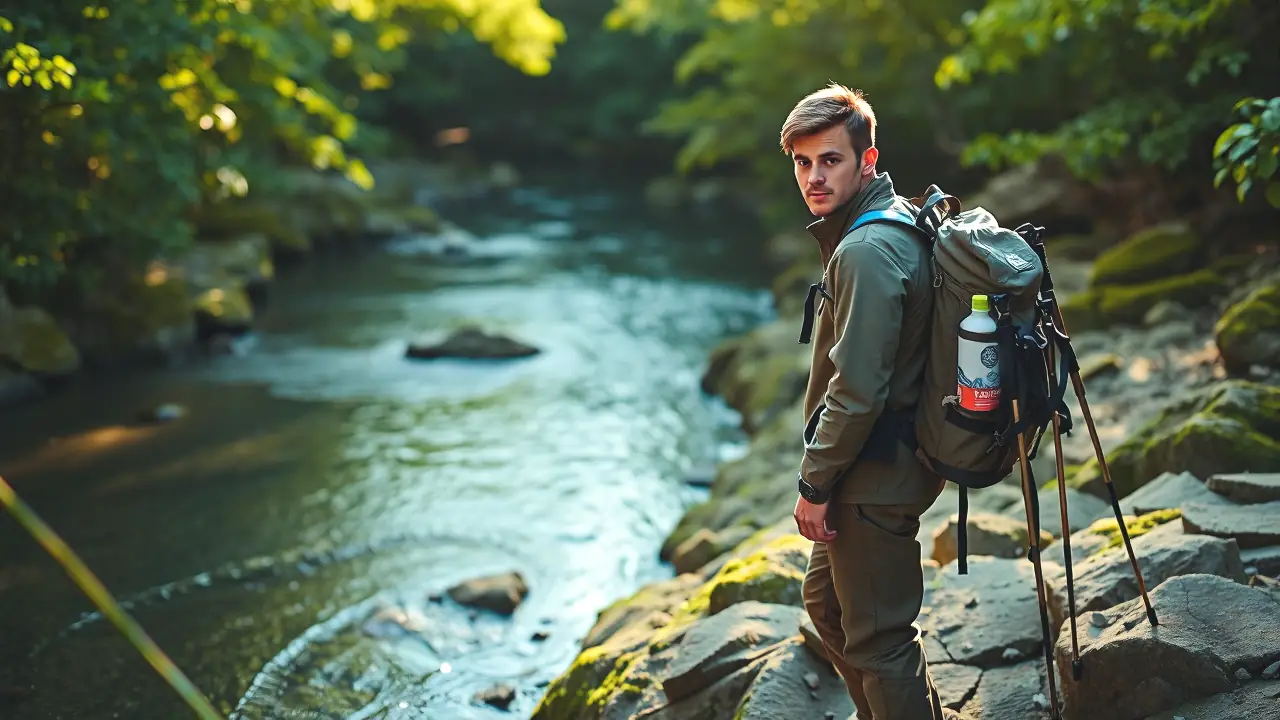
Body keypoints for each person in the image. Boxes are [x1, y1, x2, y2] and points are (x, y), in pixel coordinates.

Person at [782, 82, 947, 720]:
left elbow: (856, 394)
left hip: (875, 475)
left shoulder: (867, 251)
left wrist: (814, 484)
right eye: (803, 162)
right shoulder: (884, 222)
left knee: (879, 640)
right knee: (826, 605)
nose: (814, 177)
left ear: (867, 160)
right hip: (878, 462)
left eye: (831, 160)